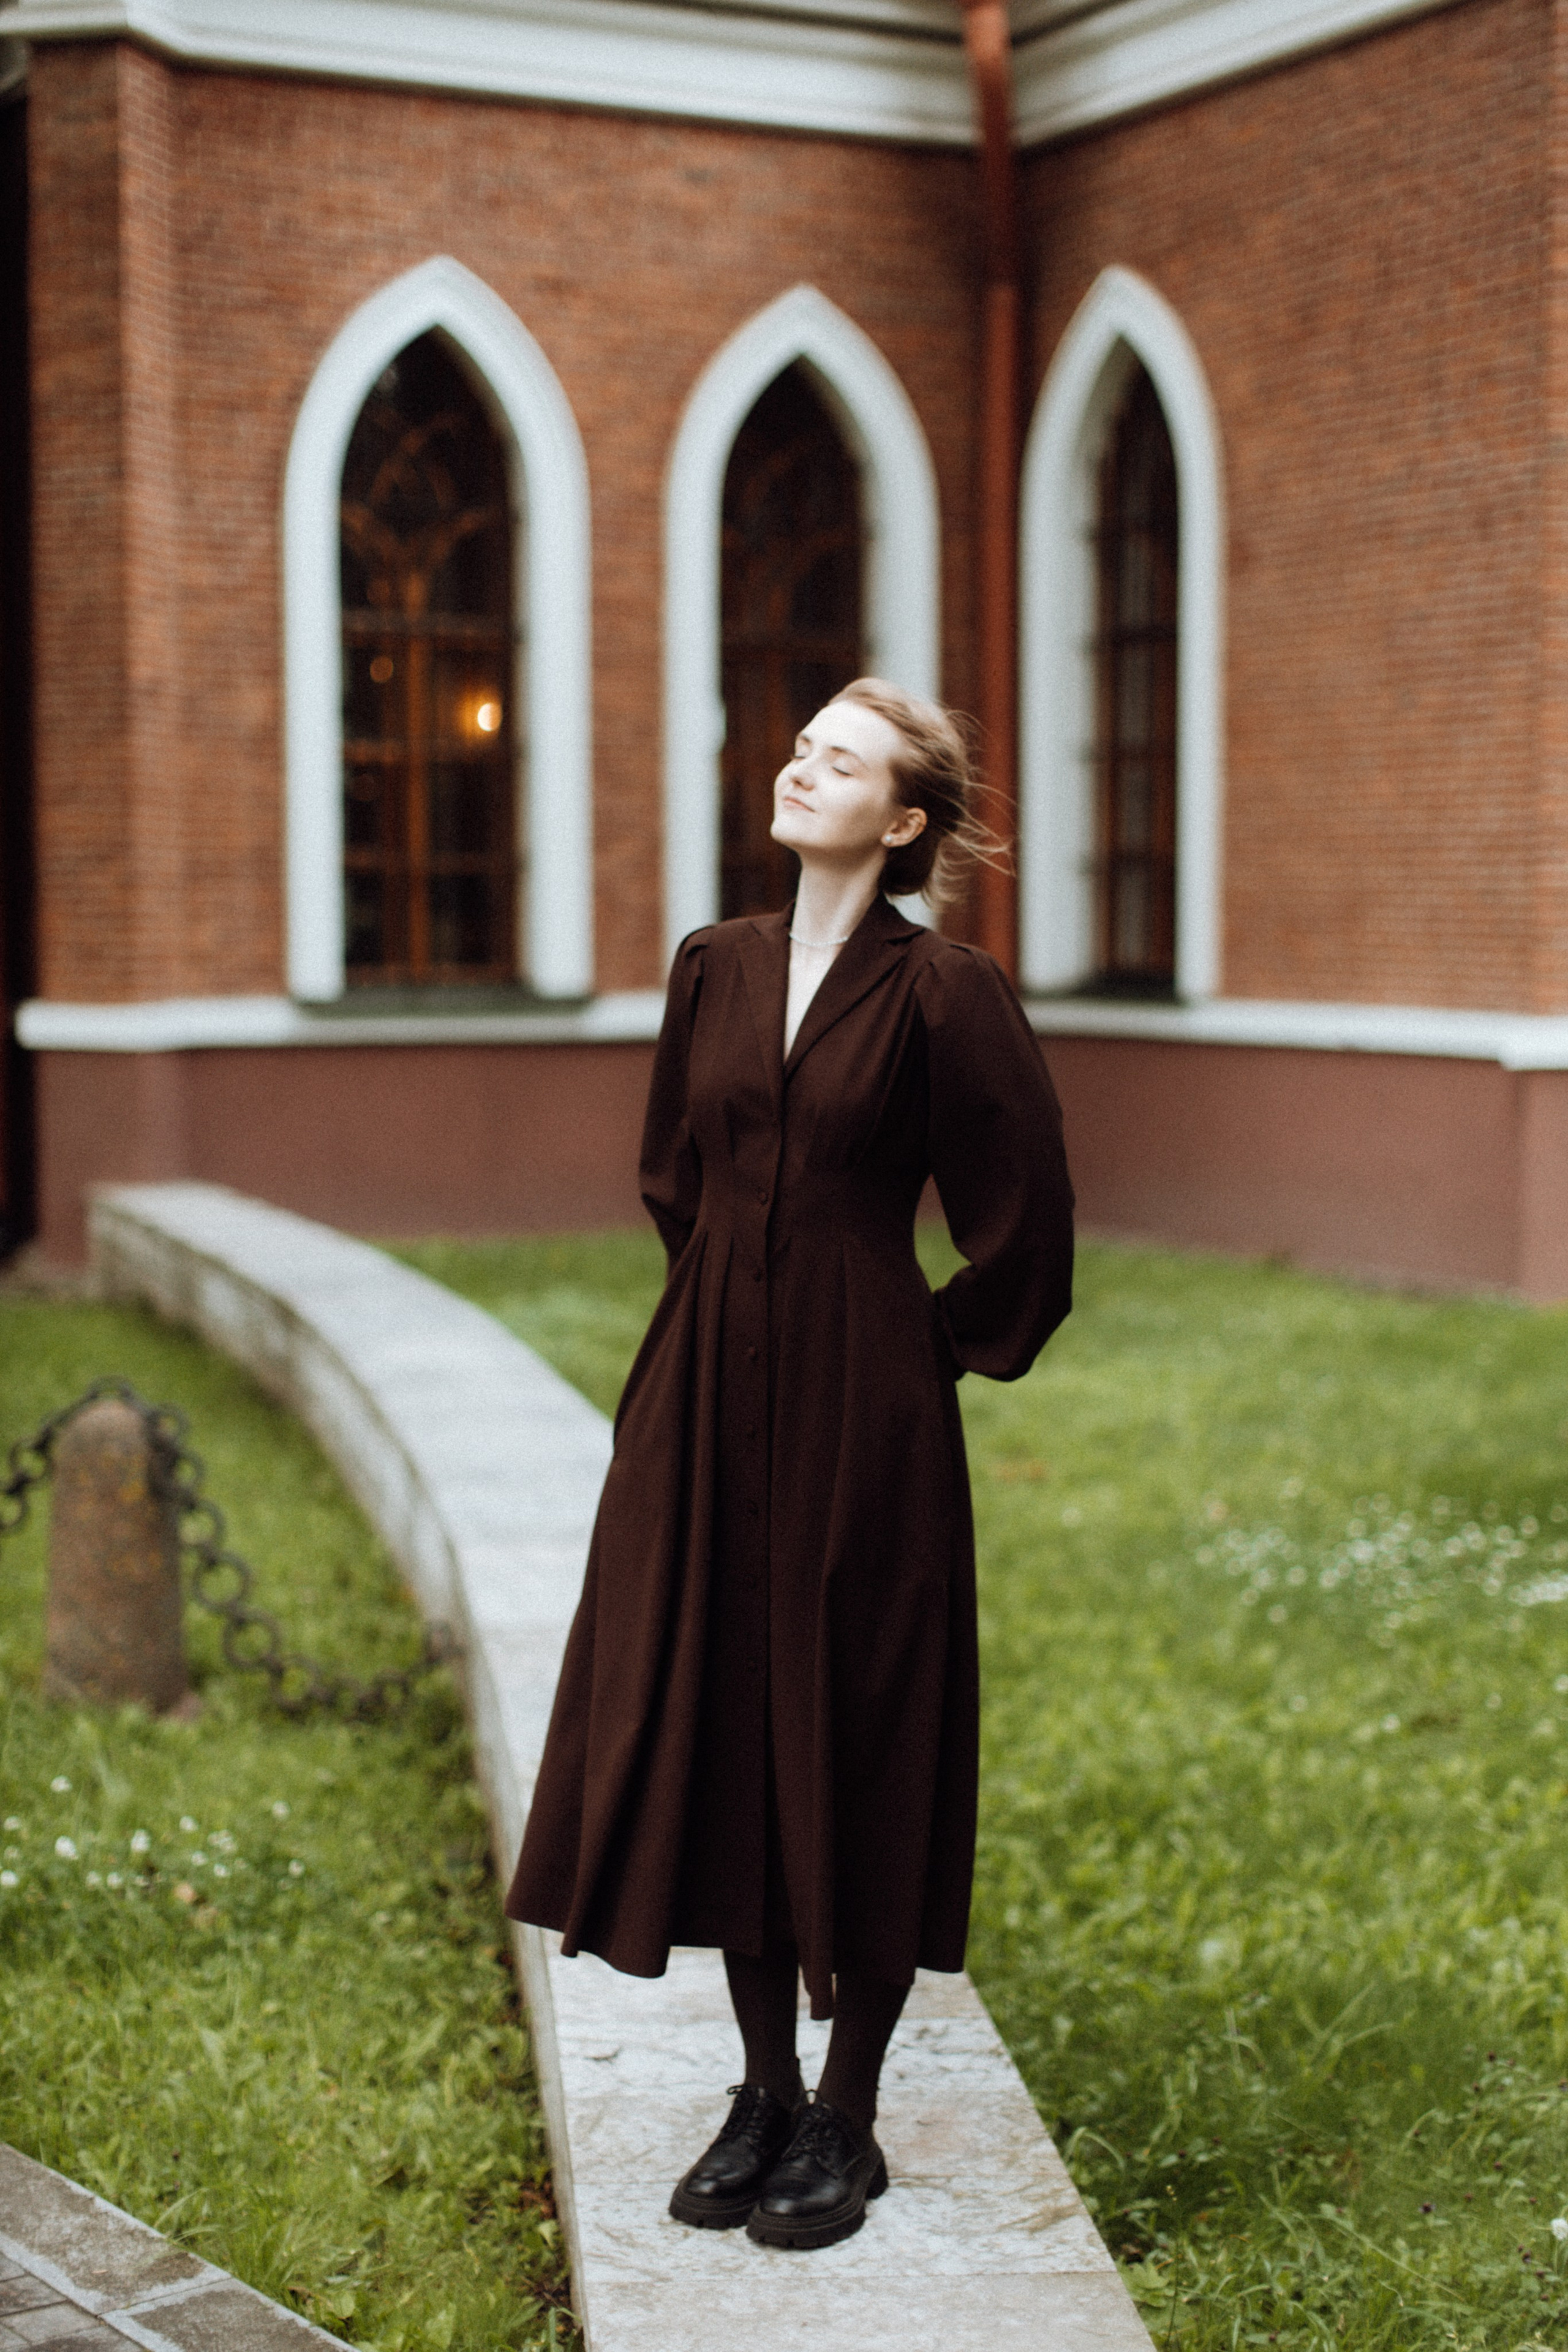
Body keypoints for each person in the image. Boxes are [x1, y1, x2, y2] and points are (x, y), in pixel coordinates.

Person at [505, 677, 1074, 2251]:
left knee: (855, 1721)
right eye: (801, 744)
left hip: (863, 1408)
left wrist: (914, 1350)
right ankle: (760, 2090)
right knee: (723, 1718)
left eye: (842, 758)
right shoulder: (714, 966)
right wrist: (726, 1324)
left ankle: (850, 2113)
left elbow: (1025, 1231)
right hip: (699, 1393)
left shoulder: (947, 993)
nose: (800, 764)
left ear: (901, 822)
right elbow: (672, 1180)